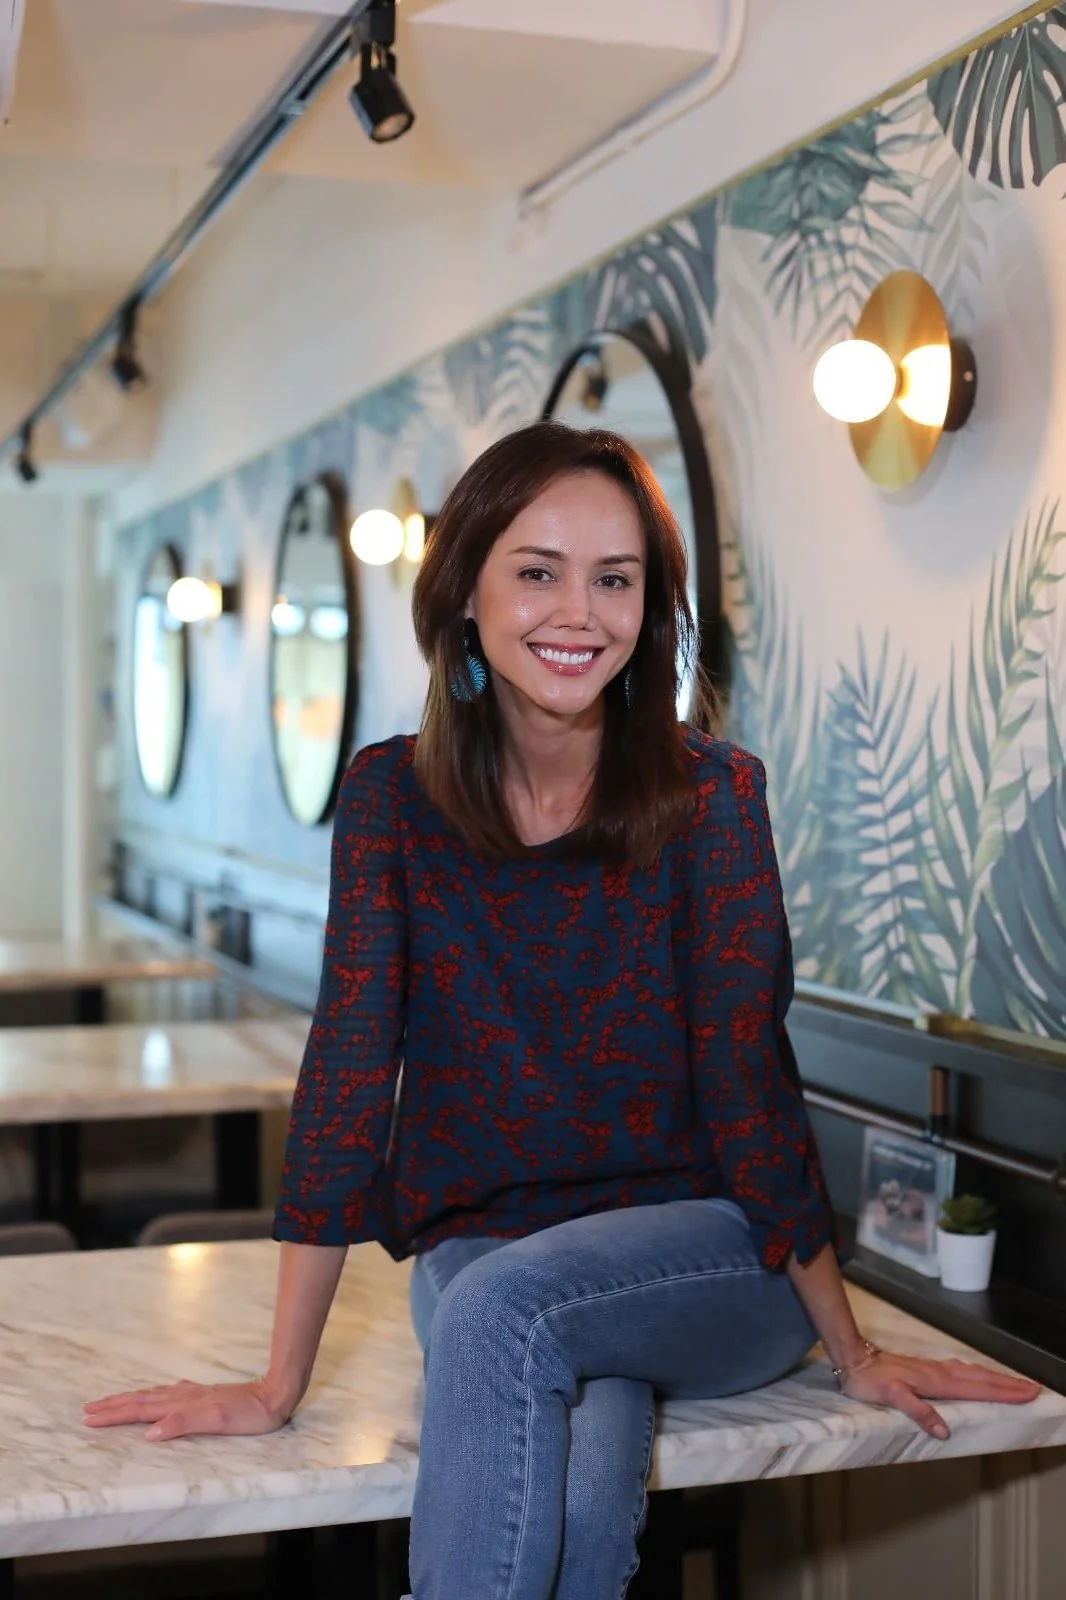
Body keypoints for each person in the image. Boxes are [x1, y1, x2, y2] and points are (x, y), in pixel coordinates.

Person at [86, 422, 1039, 1599]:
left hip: (707, 1254)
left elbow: (747, 1077)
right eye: (537, 571)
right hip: (489, 1250)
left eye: (615, 579)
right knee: (582, 1472)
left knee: (504, 1315)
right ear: (464, 590)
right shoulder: (391, 797)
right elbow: (345, 1074)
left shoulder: (711, 796)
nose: (578, 612)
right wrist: (275, 1384)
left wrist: (849, 1349)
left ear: (651, 607)